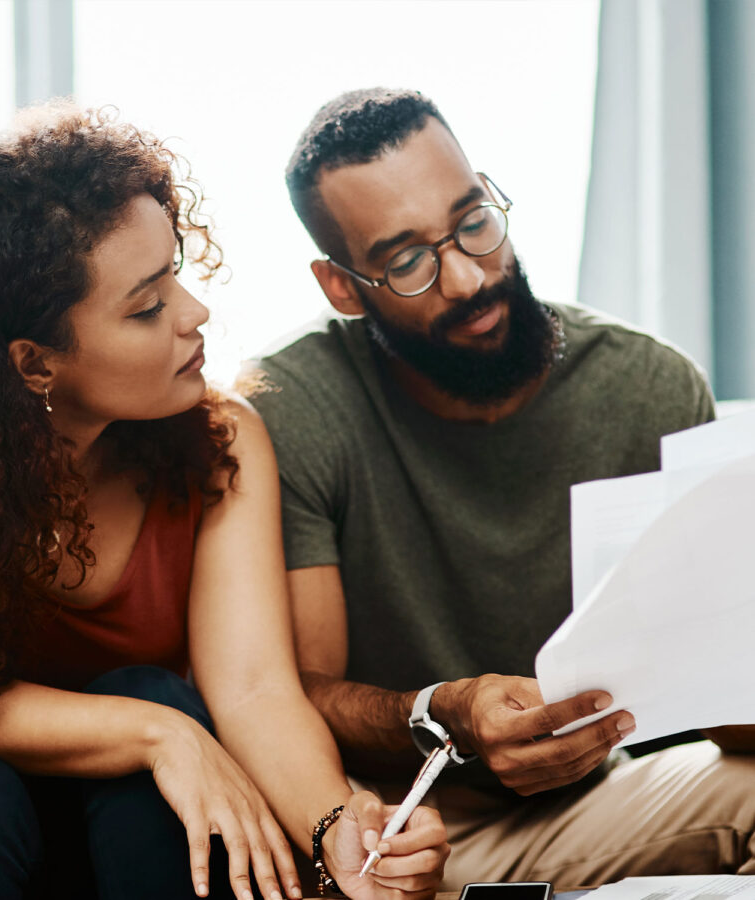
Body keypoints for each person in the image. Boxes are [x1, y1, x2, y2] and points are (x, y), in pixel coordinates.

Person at [0, 105, 450, 900]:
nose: (194, 315)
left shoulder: (221, 440)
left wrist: (338, 827)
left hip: (121, 838)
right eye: (146, 307)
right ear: (34, 365)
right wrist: (160, 734)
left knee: (159, 711)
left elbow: (252, 688)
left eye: (176, 276)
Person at [251, 86, 755, 891]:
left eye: (475, 220)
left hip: (599, 802)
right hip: (397, 826)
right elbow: (303, 691)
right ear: (342, 287)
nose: (466, 278)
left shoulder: (649, 389)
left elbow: (718, 702)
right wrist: (450, 710)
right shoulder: (294, 410)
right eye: (408, 261)